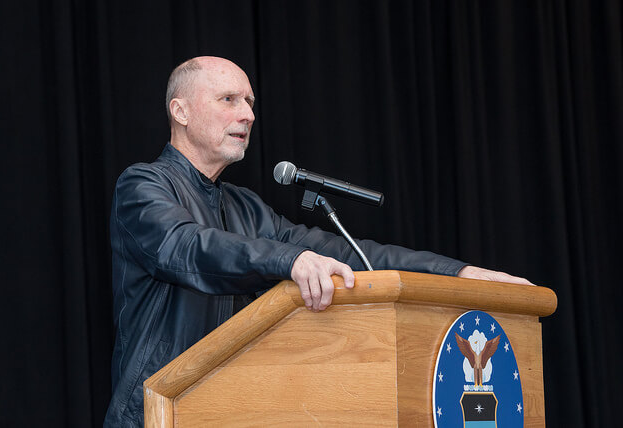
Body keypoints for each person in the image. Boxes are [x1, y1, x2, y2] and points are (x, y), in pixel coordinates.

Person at [103, 56, 532, 427]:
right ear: (180, 111)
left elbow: (347, 254)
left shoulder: (246, 208)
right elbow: (188, 248)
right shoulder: (142, 186)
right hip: (156, 412)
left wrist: (458, 273)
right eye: (229, 100)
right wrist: (292, 260)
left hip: (232, 409)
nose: (248, 114)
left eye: (250, 102)